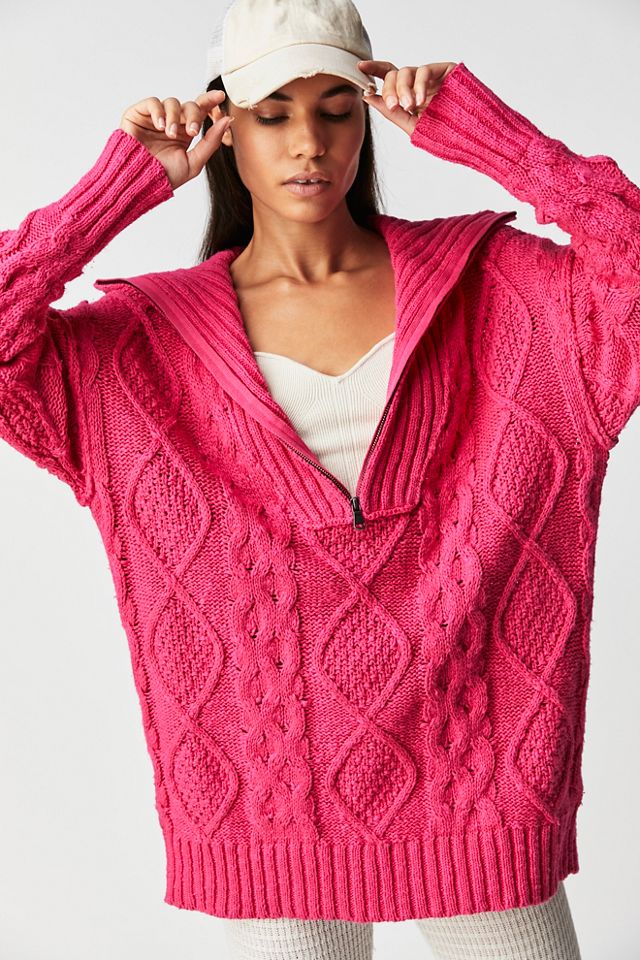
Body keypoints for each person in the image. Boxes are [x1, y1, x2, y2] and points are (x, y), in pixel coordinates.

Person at [2, 0, 638, 956]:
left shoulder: (509, 294)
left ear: (368, 115)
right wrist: (118, 187)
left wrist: (492, 136)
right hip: (272, 817)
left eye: (337, 109)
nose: (310, 142)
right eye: (273, 113)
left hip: (486, 803)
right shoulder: (133, 351)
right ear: (223, 125)